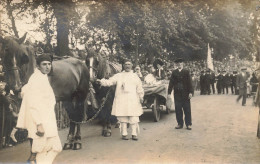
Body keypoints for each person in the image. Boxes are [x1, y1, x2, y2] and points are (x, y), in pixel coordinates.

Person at [16, 54, 62, 164]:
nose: (47, 67)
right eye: (44, 64)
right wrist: (39, 124)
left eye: (49, 64)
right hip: (40, 122)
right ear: (38, 66)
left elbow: (25, 91)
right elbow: (33, 104)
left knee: (56, 147)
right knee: (41, 151)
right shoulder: (36, 79)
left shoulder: (42, 77)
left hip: (47, 120)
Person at [97, 59, 144, 141]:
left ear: (132, 65)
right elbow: (109, 82)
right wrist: (100, 81)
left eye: (129, 64)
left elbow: (139, 88)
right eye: (126, 64)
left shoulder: (135, 76)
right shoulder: (118, 75)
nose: (127, 66)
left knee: (133, 116)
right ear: (123, 65)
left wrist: (141, 96)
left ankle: (134, 134)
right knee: (123, 116)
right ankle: (124, 134)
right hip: (122, 99)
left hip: (132, 99)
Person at [168, 58, 193, 130]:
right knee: (178, 109)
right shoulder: (174, 73)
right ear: (176, 65)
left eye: (180, 63)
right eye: (178, 63)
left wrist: (191, 92)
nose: (179, 64)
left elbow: (190, 83)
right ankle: (180, 123)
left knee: (187, 109)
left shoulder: (186, 72)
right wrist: (169, 93)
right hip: (177, 94)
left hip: (185, 93)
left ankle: (188, 124)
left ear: (182, 64)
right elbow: (171, 83)